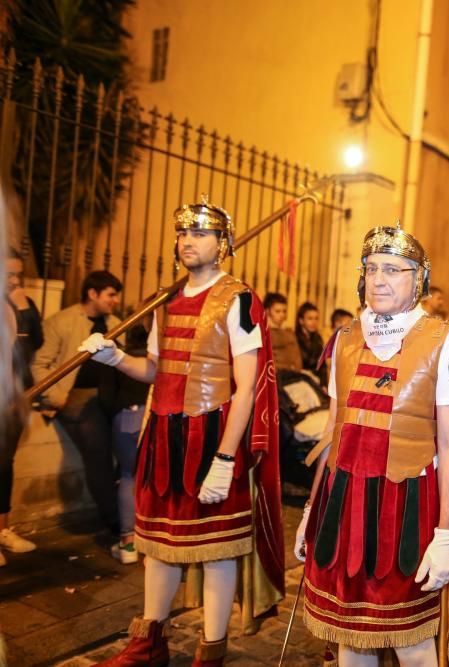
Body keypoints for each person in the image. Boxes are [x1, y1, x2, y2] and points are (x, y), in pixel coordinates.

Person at [82, 197, 284, 666]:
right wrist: (112, 357)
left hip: (211, 434)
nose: (188, 241)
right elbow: (155, 370)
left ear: (223, 244)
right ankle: (149, 640)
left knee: (215, 548)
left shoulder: (238, 299)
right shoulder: (165, 299)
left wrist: (227, 457)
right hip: (164, 435)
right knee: (158, 544)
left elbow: (248, 386)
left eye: (199, 233)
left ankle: (211, 651)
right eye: (182, 233)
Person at [297, 223, 449, 666]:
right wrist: (310, 510)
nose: (379, 278)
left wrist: (446, 534)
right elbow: (334, 431)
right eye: (373, 268)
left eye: (394, 270)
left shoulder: (445, 341)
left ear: (418, 278)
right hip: (343, 503)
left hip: (407, 507)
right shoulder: (343, 340)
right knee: (349, 635)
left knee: (411, 643)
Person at [32, 270, 122, 539]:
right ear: (92, 294)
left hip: (109, 396)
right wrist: (57, 398)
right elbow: (39, 364)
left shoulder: (116, 322)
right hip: (76, 396)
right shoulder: (62, 321)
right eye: (111, 294)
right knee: (98, 453)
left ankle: (127, 514)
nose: (116, 300)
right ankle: (116, 522)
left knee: (130, 447)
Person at [97, 319, 152, 564]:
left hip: (127, 417)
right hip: (154, 417)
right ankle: (154, 540)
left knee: (129, 475)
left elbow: (106, 397)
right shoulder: (162, 361)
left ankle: (128, 544)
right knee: (154, 478)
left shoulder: (120, 357)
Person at [1, 247, 43, 564]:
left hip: (15, 396)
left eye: (19, 273)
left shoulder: (20, 304)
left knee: (5, 462)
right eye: (9, 273)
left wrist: (25, 310)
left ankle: (2, 529)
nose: (15, 279)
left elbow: (34, 343)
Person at [264, 292, 301, 372]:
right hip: (276, 376)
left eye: (284, 311)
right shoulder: (264, 332)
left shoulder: (289, 332)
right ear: (267, 311)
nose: (282, 315)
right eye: (277, 311)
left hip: (293, 374)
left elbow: (297, 359)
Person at [295, 301, 326, 385]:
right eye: (310, 318)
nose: (314, 322)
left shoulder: (318, 338)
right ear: (301, 321)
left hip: (316, 380)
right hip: (299, 379)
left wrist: (323, 384)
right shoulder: (294, 338)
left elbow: (322, 365)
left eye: (316, 318)